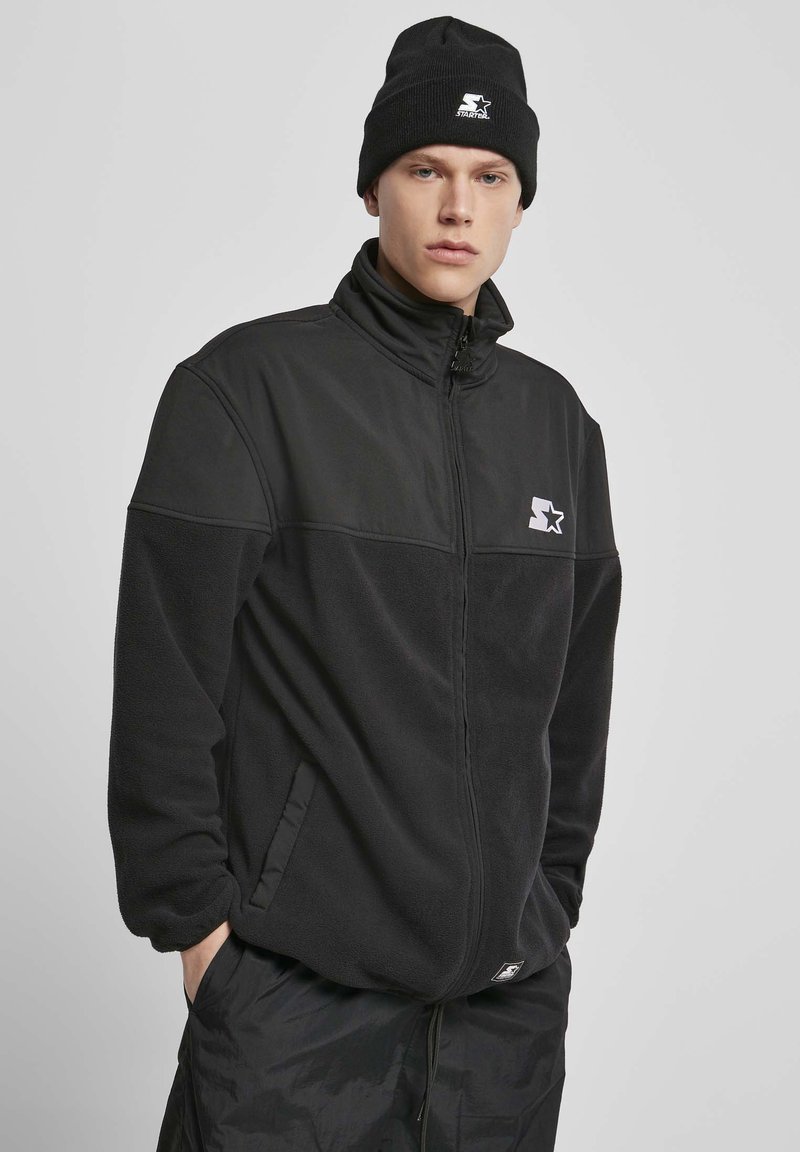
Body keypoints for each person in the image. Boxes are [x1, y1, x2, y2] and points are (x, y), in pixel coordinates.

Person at [107, 15, 623, 1152]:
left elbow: (574, 706)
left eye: (491, 176)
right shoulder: (245, 389)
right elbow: (164, 685)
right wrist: (201, 936)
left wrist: (548, 902)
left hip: (501, 1027)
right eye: (425, 170)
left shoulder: (557, 426)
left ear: (521, 201)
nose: (458, 208)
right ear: (372, 185)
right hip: (293, 1016)